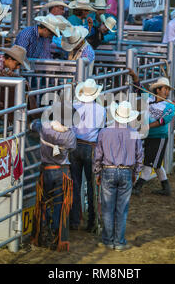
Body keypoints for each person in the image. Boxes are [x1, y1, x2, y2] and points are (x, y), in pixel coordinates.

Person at [93, 100, 144, 251]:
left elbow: (98, 155)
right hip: (126, 171)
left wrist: (97, 172)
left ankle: (108, 240)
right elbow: (139, 156)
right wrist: (136, 172)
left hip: (108, 170)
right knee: (122, 208)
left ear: (115, 115)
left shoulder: (104, 132)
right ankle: (119, 241)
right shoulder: (134, 133)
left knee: (108, 207)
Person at [30, 100, 77, 251]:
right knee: (60, 205)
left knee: (43, 203)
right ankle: (57, 238)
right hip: (62, 171)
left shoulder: (44, 128)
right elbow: (72, 147)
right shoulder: (70, 135)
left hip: (46, 170)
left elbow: (33, 124)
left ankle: (41, 235)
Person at [69, 79, 106, 232]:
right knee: (92, 185)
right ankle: (91, 222)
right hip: (91, 147)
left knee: (75, 184)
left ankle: (74, 220)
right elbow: (101, 129)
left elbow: (70, 128)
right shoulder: (100, 109)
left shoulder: (74, 107)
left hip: (75, 145)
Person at [129, 76, 175, 196]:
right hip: (150, 136)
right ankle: (166, 188)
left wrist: (146, 127)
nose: (167, 91)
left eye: (168, 89)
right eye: (165, 88)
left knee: (149, 163)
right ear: (158, 90)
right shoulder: (149, 99)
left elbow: (162, 121)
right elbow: (139, 88)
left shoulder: (170, 106)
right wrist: (134, 76)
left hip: (159, 137)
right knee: (156, 163)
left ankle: (138, 187)